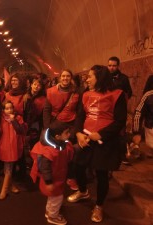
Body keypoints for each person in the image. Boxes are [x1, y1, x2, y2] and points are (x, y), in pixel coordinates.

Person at [68, 65, 127, 223]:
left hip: (105, 141)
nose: (87, 79)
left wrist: (101, 134)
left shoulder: (117, 95)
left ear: (99, 78)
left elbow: (120, 121)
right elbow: (80, 115)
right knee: (77, 166)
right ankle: (83, 191)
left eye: (90, 76)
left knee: (101, 175)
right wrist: (79, 133)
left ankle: (99, 206)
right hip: (85, 139)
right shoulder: (86, 94)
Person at [30, 121, 74, 225]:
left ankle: (49, 211)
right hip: (53, 180)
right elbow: (45, 168)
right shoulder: (50, 151)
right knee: (57, 198)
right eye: (67, 133)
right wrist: (49, 182)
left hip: (56, 178)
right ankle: (53, 217)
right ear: (58, 136)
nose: (69, 134)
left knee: (53, 198)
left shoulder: (60, 145)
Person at [43, 69, 80, 191]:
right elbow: (47, 110)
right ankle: (55, 176)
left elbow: (79, 111)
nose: (65, 78)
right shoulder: (51, 92)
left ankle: (71, 177)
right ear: (59, 78)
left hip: (70, 126)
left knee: (71, 152)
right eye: (63, 76)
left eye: (68, 76)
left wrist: (75, 129)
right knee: (56, 153)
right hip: (56, 127)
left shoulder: (76, 92)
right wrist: (47, 128)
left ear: (71, 78)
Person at [0, 100, 27, 200]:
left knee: (9, 167)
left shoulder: (18, 118)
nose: (9, 110)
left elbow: (20, 130)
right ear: (3, 110)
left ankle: (8, 187)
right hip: (5, 146)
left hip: (14, 146)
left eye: (11, 108)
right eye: (7, 108)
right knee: (8, 167)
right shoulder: (0, 119)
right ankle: (5, 190)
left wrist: (13, 120)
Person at [107, 56, 132, 165]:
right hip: (107, 110)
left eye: (114, 66)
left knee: (121, 133)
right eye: (110, 65)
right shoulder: (104, 78)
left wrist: (122, 102)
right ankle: (111, 155)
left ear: (118, 66)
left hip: (120, 110)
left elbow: (129, 92)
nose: (111, 68)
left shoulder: (124, 78)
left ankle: (122, 156)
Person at [132, 75, 153, 158]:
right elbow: (138, 113)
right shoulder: (148, 96)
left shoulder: (148, 95)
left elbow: (138, 113)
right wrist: (137, 132)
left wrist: (136, 132)